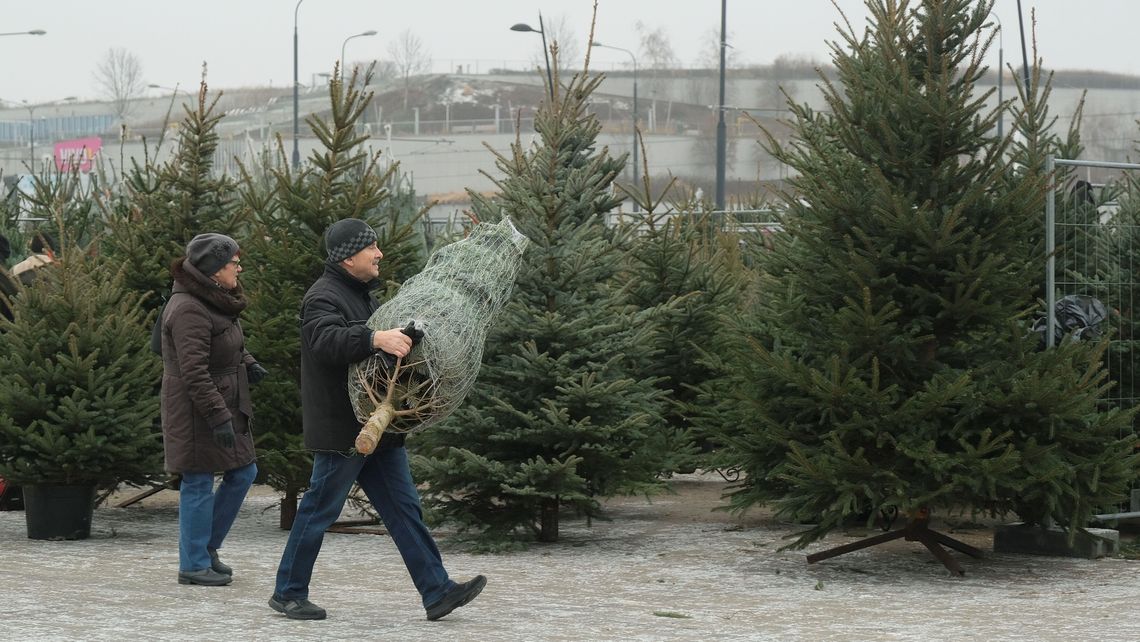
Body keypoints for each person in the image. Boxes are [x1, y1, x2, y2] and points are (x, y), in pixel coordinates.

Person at [270, 218, 486, 621]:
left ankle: (437, 591)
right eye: (371, 247)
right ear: (348, 257)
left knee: (405, 510)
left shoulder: (361, 296)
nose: (379, 254)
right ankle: (288, 592)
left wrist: (404, 338)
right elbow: (325, 342)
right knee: (319, 510)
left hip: (379, 428)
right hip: (344, 430)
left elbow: (370, 360)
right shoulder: (323, 296)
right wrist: (375, 338)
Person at [160, 233, 268, 586]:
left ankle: (206, 548)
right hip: (197, 408)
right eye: (234, 263)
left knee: (244, 472)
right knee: (198, 480)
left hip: (225, 398)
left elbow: (223, 340)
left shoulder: (214, 297)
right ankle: (192, 563)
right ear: (214, 269)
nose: (240, 268)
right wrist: (218, 416)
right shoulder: (189, 307)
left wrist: (247, 361)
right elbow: (193, 370)